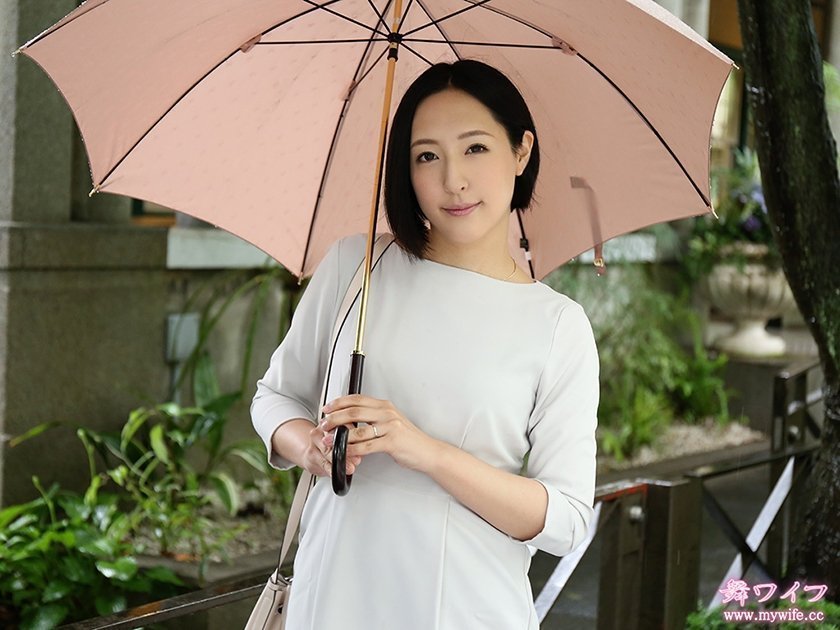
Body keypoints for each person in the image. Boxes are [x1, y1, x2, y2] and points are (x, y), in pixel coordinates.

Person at [251, 59, 599, 630]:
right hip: (332, 596)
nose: (453, 180)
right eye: (427, 156)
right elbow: (274, 397)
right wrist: (307, 447)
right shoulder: (356, 266)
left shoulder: (557, 325)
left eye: (476, 148)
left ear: (521, 151)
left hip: (465, 609)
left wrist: (426, 451)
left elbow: (565, 519)